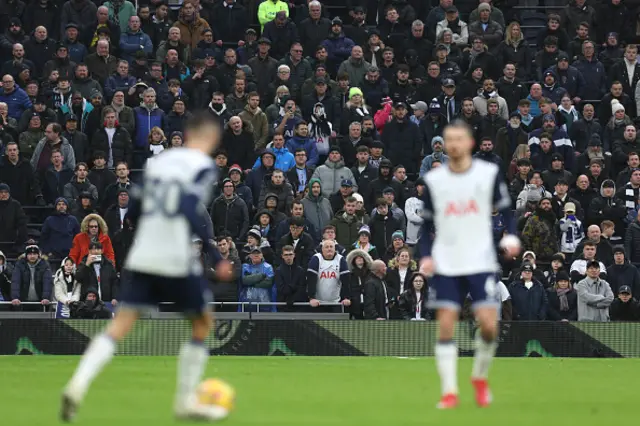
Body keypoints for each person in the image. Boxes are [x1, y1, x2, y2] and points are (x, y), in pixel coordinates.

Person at [60, 114, 234, 422]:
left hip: (144, 253)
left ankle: (77, 384)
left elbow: (137, 207)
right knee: (202, 323)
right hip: (176, 257)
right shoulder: (203, 167)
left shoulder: (159, 164)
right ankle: (185, 401)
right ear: (208, 139)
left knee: (120, 325)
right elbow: (189, 208)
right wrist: (214, 254)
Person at [418, 120, 520, 409]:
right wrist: (426, 255)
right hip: (449, 261)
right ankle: (449, 391)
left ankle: (479, 376)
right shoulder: (435, 181)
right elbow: (426, 228)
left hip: (479, 259)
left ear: (470, 144)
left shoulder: (487, 175)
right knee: (446, 325)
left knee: (489, 327)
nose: (454, 144)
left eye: (459, 139)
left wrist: (511, 236)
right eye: (449, 139)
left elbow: (507, 211)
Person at [274, 244, 307, 312]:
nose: (288, 257)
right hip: (282, 305)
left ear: (294, 255)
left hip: (298, 305)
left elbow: (302, 287)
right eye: (286, 255)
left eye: (290, 254)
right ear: (282, 256)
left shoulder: (300, 270)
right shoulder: (278, 271)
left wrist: (293, 299)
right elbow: (281, 288)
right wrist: (293, 286)